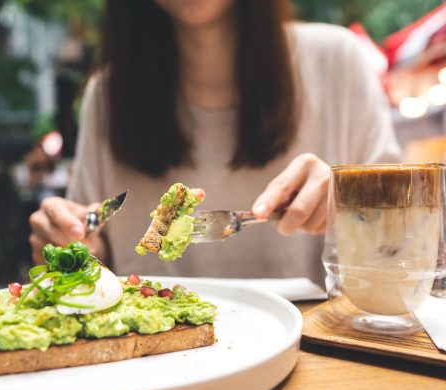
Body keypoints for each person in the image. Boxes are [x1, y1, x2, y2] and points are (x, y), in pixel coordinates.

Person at [29, 0, 400, 284]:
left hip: (320, 367)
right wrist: (70, 251)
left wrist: (353, 203)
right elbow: (89, 264)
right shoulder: (107, 97)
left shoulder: (337, 63)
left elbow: (411, 251)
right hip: (157, 372)